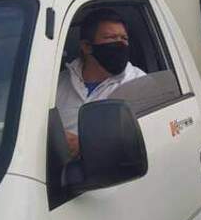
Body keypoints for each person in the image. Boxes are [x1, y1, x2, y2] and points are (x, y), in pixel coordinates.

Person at [56, 10, 145, 157]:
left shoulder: (140, 83)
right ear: (87, 46)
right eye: (111, 38)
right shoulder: (58, 84)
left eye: (124, 38)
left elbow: (148, 140)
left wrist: (83, 146)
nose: (120, 43)